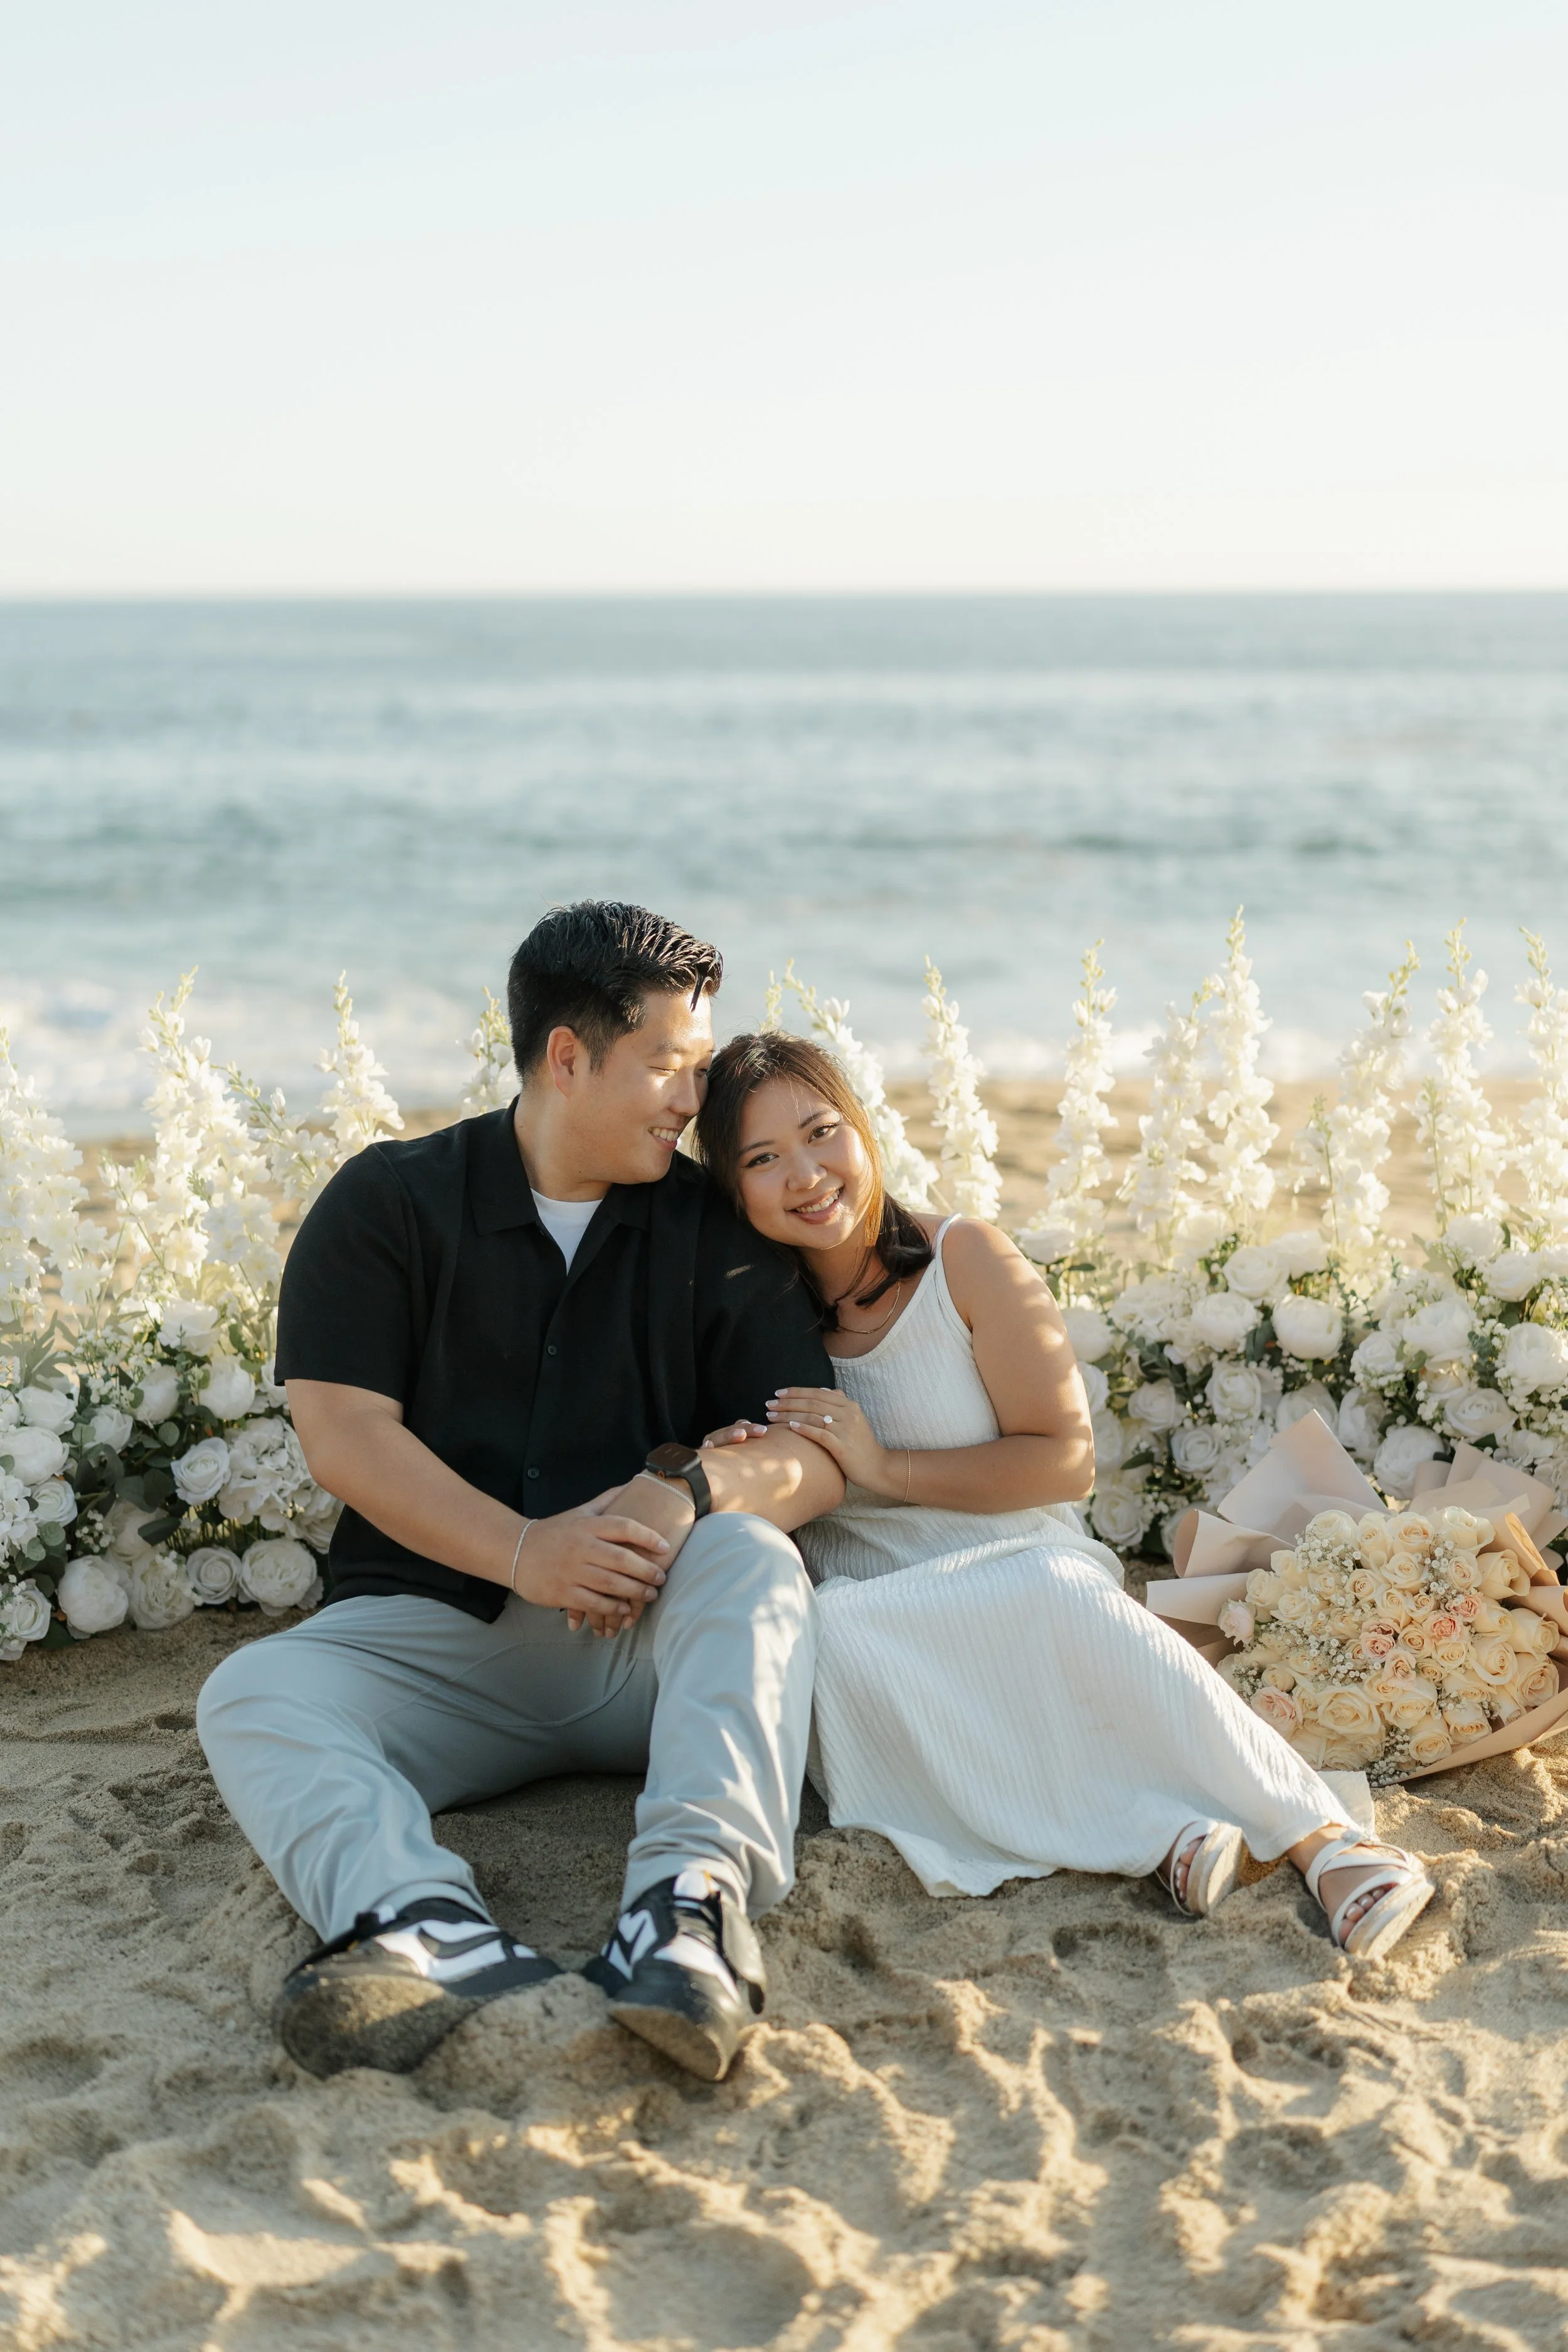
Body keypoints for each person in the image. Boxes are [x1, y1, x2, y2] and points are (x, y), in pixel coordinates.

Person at [196, 905, 844, 2085]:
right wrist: (523, 1549)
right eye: (668, 1064)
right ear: (566, 1056)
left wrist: (687, 1493)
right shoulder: (388, 1203)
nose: (690, 1099)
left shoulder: (711, 1226)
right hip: (439, 1647)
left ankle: (687, 1914)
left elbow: (816, 1451)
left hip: (650, 1647)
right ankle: (420, 1924)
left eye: (701, 1069)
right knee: (254, 1690)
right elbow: (343, 1435)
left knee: (753, 1558)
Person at [693, 1032, 1435, 1966]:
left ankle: (1327, 1842)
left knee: (1049, 1586)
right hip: (881, 1618)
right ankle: (1162, 1835)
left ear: (863, 1128)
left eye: (821, 1132)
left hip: (1020, 1564)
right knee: (817, 1638)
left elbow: (1065, 1462)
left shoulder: (962, 1257)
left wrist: (885, 1467)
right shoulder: (745, 1321)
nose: (806, 1174)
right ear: (730, 1188)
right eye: (763, 1160)